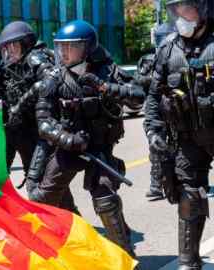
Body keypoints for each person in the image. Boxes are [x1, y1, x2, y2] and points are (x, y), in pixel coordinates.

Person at [29, 20, 145, 256]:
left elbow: (138, 96)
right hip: (68, 147)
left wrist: (105, 87)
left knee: (105, 198)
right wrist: (68, 139)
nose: (64, 52)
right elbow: (43, 122)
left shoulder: (108, 70)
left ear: (88, 47)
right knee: (41, 199)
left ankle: (124, 255)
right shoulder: (54, 77)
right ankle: (54, 250)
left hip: (99, 148)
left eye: (71, 47)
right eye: (61, 46)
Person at [144, 0, 213, 268]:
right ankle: (188, 261)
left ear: (205, 9)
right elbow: (153, 95)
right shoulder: (168, 48)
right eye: (177, 11)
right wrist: (153, 129)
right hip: (187, 137)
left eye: (188, 9)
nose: (182, 16)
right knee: (188, 195)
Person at [0, 21, 57, 189]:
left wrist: (21, 104)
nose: (10, 52)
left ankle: (66, 215)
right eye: (7, 48)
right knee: (38, 183)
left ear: (26, 44)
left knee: (42, 186)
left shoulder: (35, 58)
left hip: (40, 130)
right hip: (25, 132)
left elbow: (49, 82)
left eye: (14, 47)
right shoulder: (14, 66)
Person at [137, 23, 176, 200]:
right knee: (156, 148)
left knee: (179, 149)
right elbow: (138, 81)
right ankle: (155, 186)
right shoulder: (148, 60)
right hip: (155, 111)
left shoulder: (176, 56)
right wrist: (151, 79)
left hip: (175, 110)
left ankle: (178, 182)